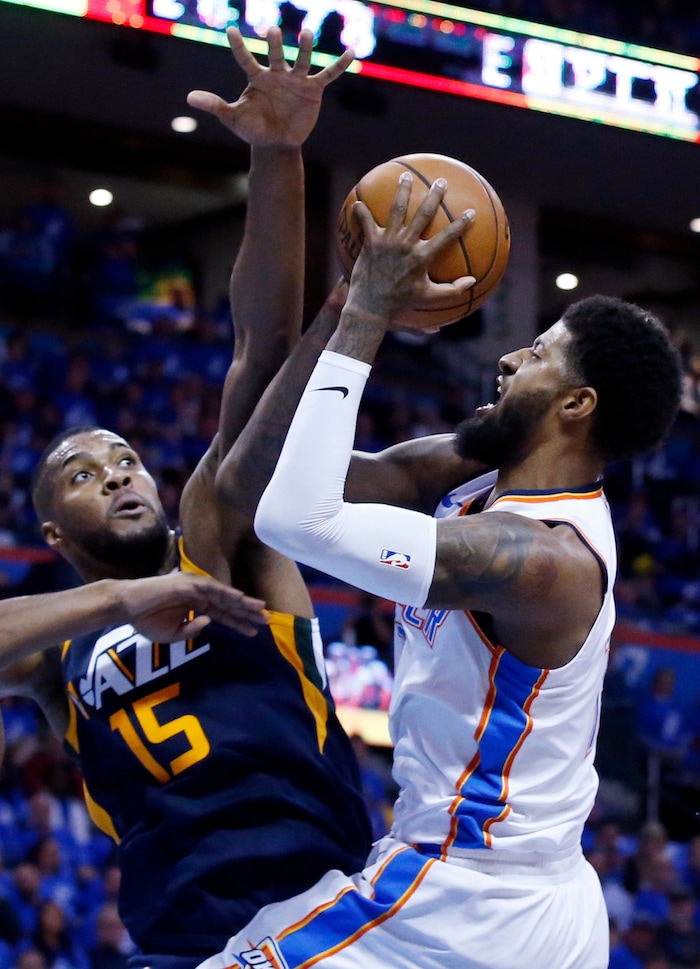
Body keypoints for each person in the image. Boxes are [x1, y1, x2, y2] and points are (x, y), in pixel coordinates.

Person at [198, 174, 683, 968]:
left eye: (539, 354)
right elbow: (249, 485)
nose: (508, 357)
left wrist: (371, 314)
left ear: (575, 404)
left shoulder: (543, 559)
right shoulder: (467, 471)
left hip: (475, 900)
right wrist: (342, 303)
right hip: (500, 889)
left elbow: (296, 521)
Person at [0, 26, 371, 969]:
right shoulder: (61, 650)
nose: (117, 472)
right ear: (52, 529)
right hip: (179, 947)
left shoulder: (217, 533)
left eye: (123, 457)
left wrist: (279, 155)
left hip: (323, 918)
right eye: (84, 474)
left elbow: (260, 349)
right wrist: (121, 599)